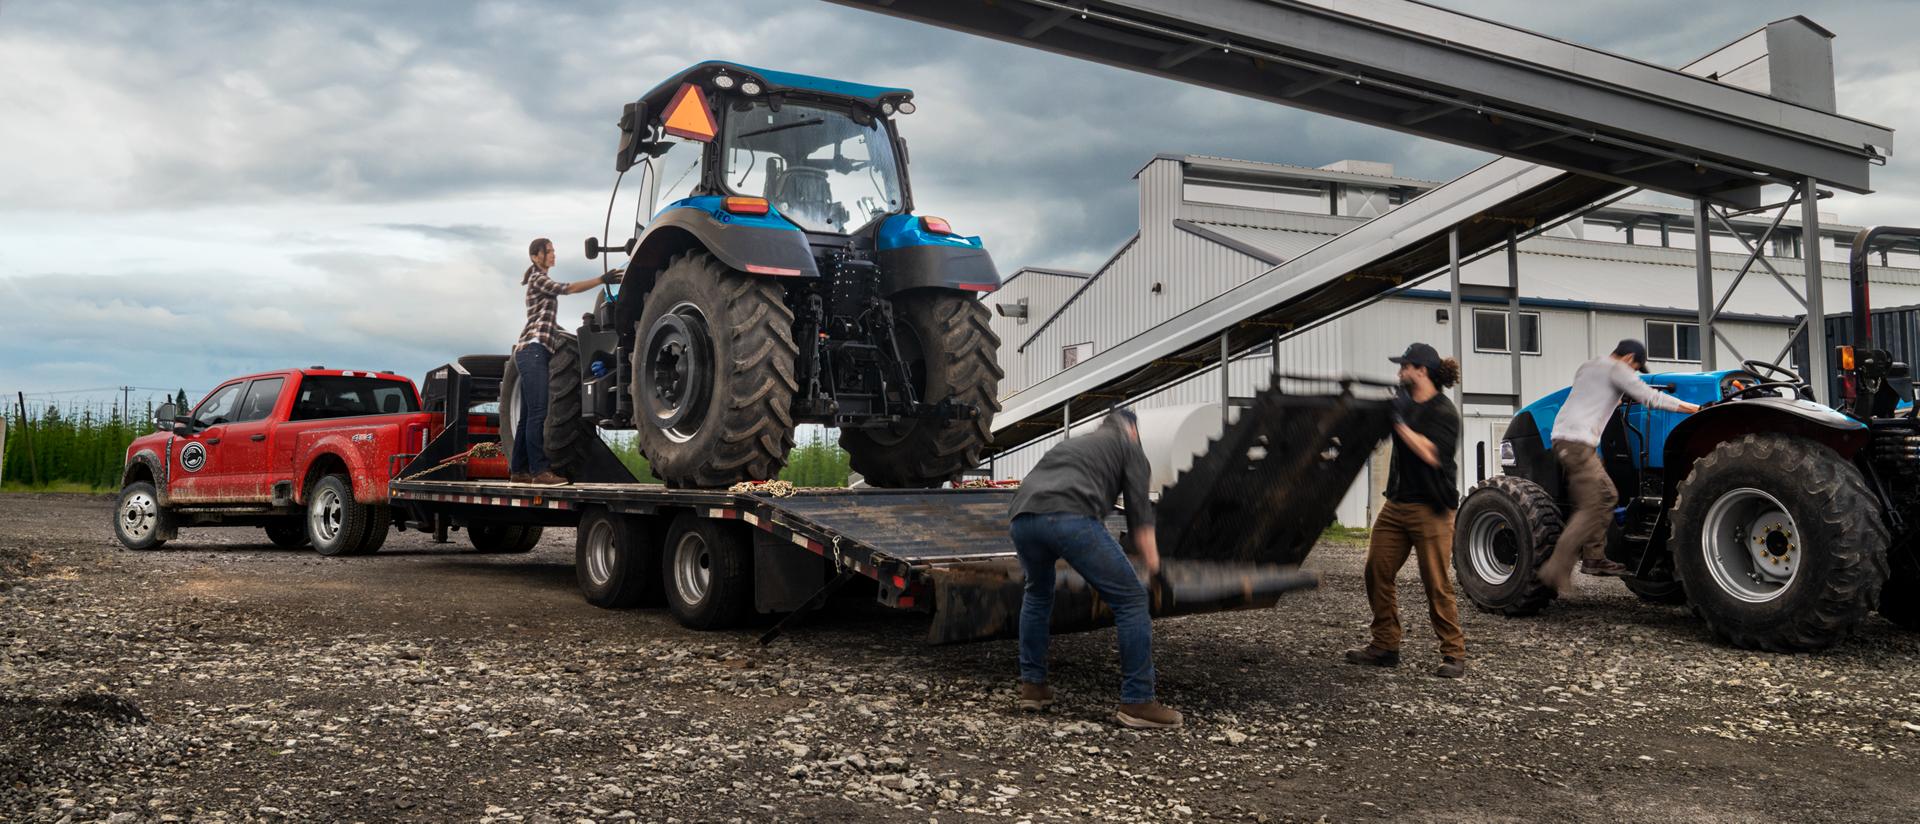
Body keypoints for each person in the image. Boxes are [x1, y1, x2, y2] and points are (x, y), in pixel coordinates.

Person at [1006, 408, 1181, 729]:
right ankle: (1138, 701)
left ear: (1104, 425)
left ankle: (1033, 687)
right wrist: (1156, 570)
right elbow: (1140, 518)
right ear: (1132, 431)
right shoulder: (1131, 449)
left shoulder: (1071, 445)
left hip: (1022, 517)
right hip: (1069, 515)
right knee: (1130, 600)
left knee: (1038, 593)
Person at [1536, 339, 1700, 592]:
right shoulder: (1617, 370)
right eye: (1635, 367)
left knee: (1603, 497)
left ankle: (1594, 556)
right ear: (1628, 358)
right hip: (1578, 443)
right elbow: (1651, 398)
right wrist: (1694, 409)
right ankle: (1557, 568)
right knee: (1596, 503)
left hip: (1569, 440)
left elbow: (1594, 396)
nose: (1634, 372)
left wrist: (1618, 398)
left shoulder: (1590, 366)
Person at [1346, 343, 1469, 678]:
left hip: (1432, 509)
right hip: (1397, 504)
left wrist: (1398, 422)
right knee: (1376, 570)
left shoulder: (1443, 412)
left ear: (1422, 371)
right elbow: (1373, 431)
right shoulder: (1402, 401)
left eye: (1404, 367)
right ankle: (1385, 645)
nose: (1399, 372)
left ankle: (1454, 654)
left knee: (1436, 582)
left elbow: (1430, 453)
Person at [511, 237, 620, 486]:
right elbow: (568, 288)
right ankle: (539, 471)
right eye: (549, 251)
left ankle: (519, 471)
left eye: (553, 251)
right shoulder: (539, 278)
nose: (553, 255)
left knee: (528, 414)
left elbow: (544, 319)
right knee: (539, 412)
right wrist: (601, 280)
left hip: (535, 350)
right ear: (535, 256)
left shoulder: (538, 280)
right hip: (533, 350)